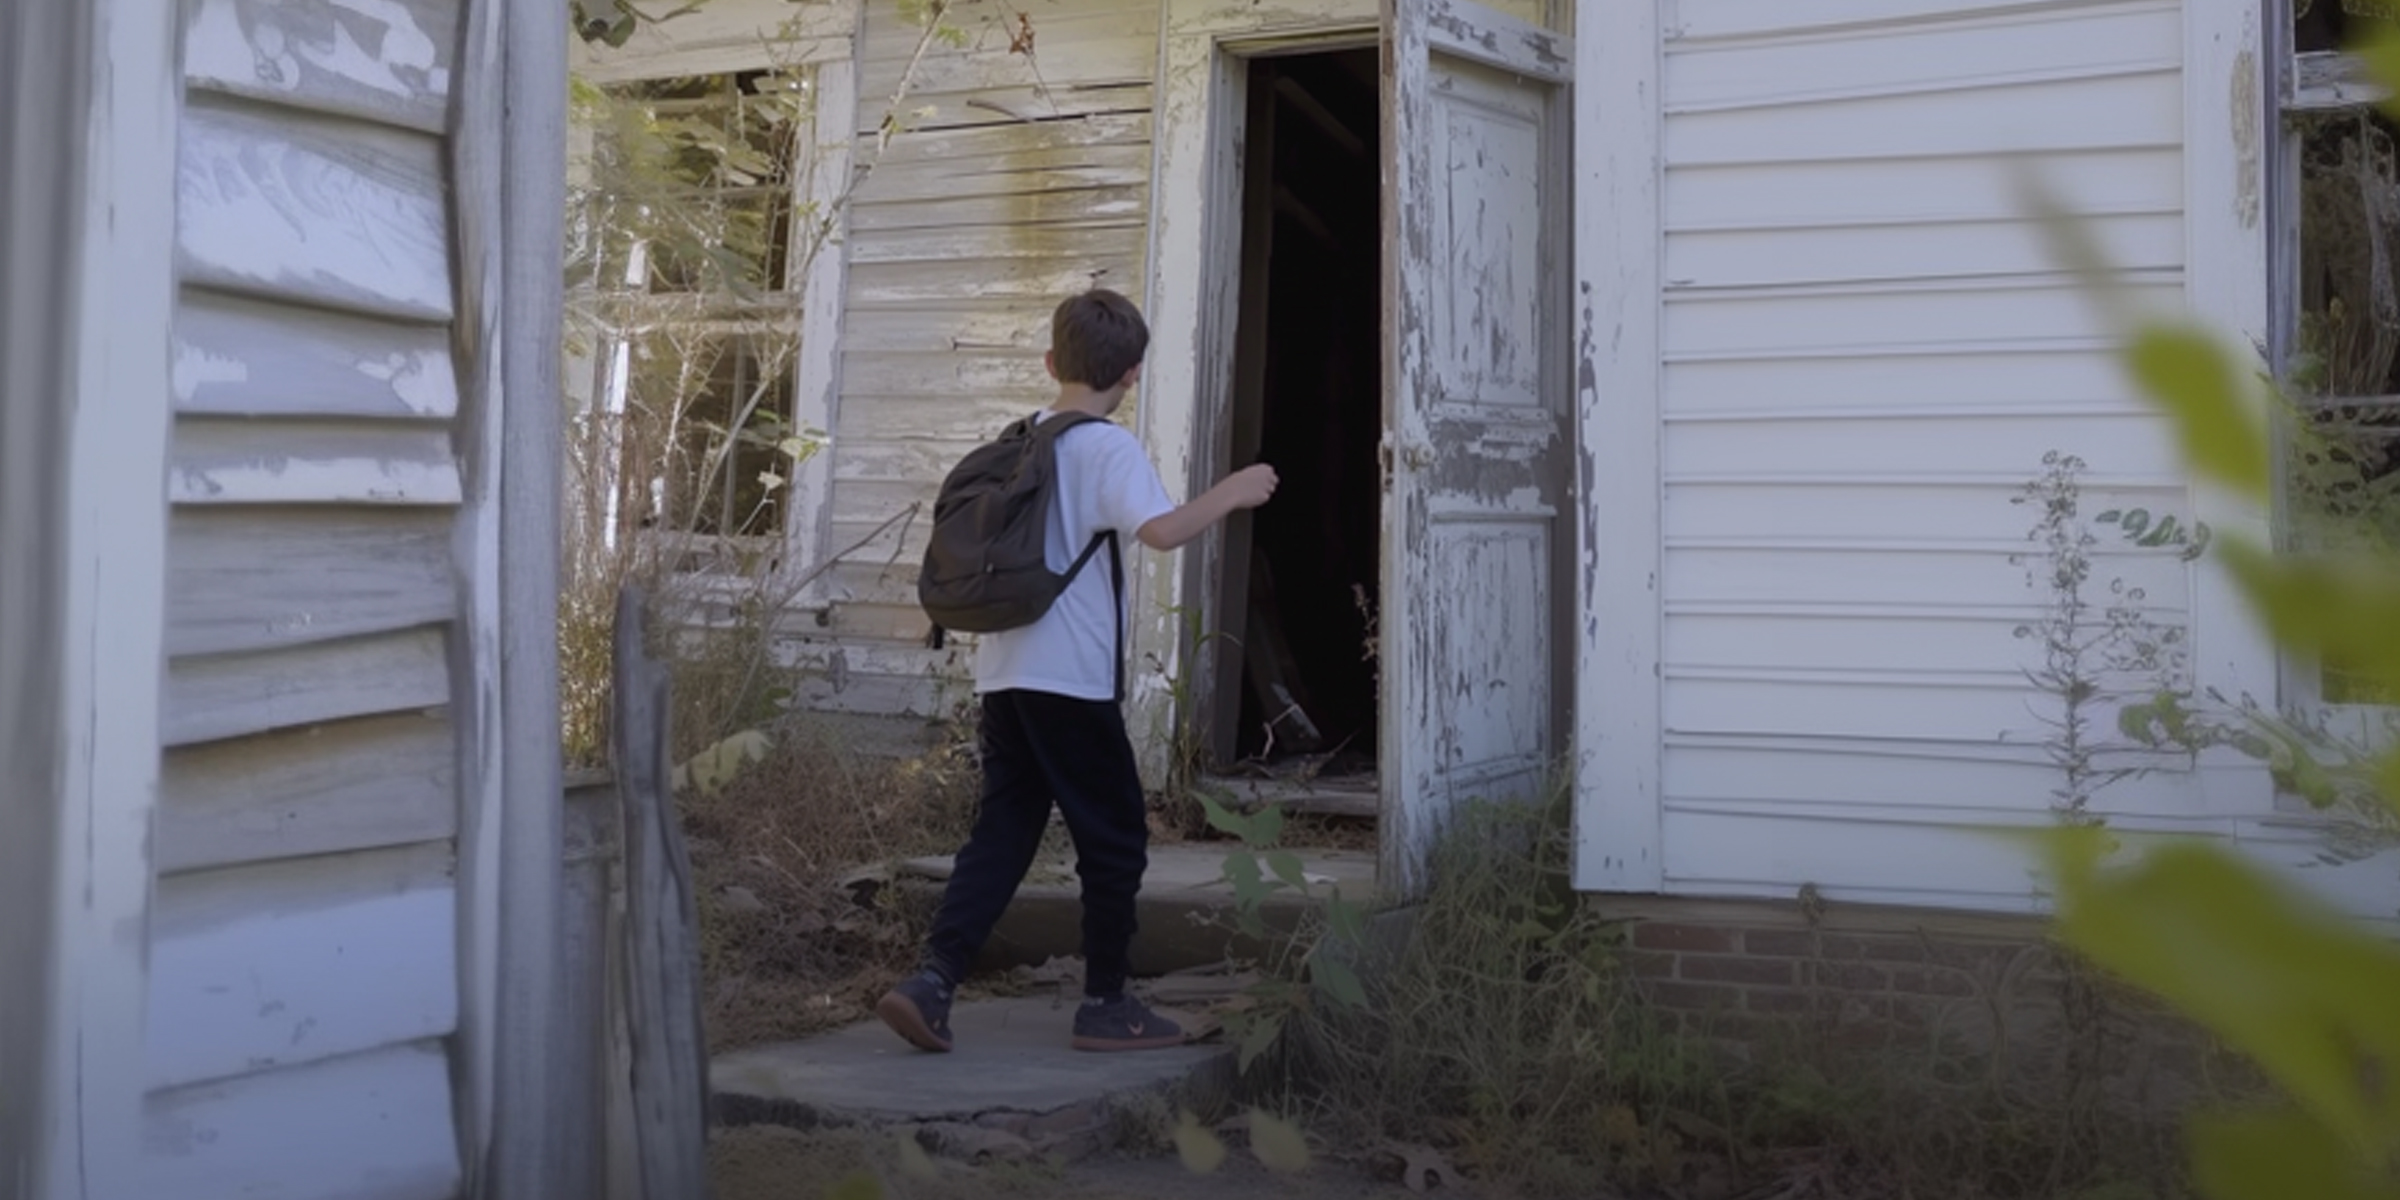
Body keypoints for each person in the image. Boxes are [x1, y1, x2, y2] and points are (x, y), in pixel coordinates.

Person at [876, 288, 1279, 1053]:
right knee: (1117, 835)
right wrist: (1232, 492)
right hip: (1070, 680)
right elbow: (1159, 532)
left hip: (1005, 669)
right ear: (1132, 374)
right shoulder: (1104, 447)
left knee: (1003, 828)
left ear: (1052, 362)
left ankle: (931, 982)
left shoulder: (1025, 437)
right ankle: (1107, 1005)